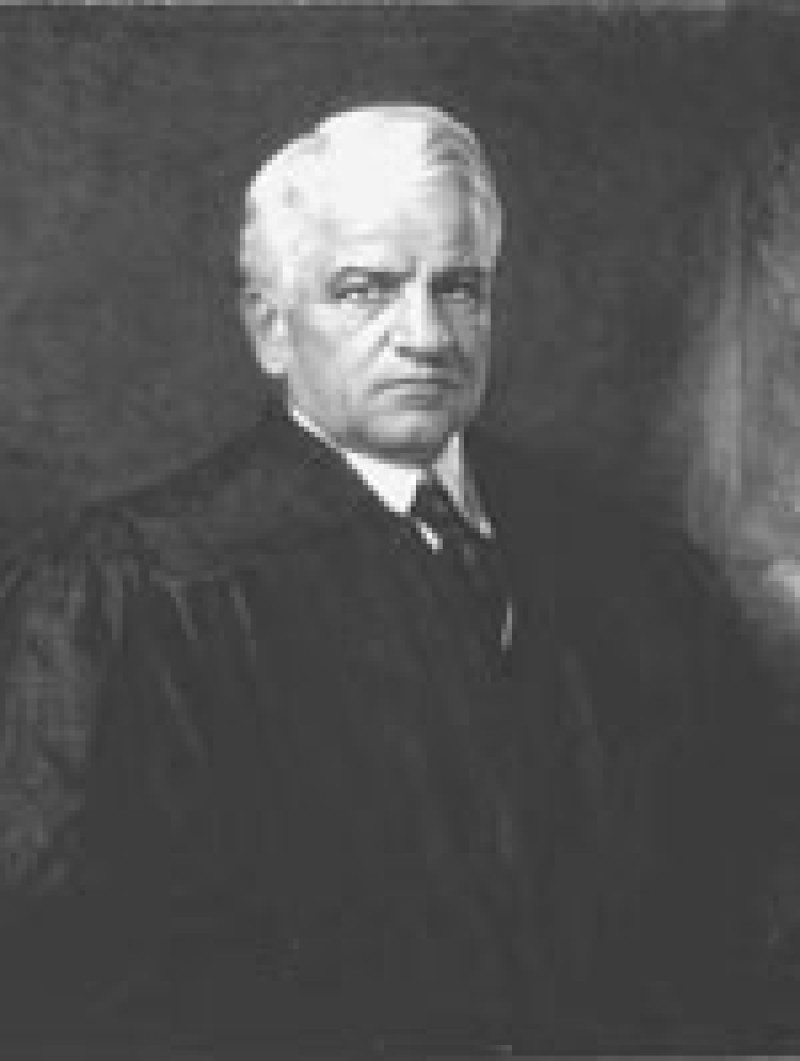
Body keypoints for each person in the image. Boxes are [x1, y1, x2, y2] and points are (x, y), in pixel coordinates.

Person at [0, 104, 775, 1052]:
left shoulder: (632, 570)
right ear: (270, 327)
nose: (428, 335)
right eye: (366, 290)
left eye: (459, 288)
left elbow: (738, 913)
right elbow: (61, 982)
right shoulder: (133, 592)